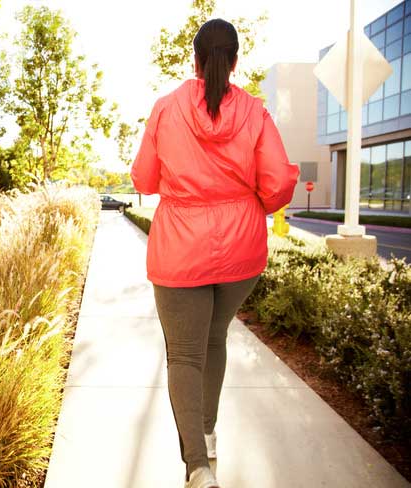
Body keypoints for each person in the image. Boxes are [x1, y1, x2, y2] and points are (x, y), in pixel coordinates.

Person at [130, 18, 299, 488]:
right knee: (215, 338)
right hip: (241, 251)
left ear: (195, 60)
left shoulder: (165, 109)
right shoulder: (257, 113)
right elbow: (278, 182)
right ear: (236, 60)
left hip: (180, 249)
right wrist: (249, 207)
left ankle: (198, 467)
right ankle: (207, 433)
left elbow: (143, 179)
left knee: (184, 354)